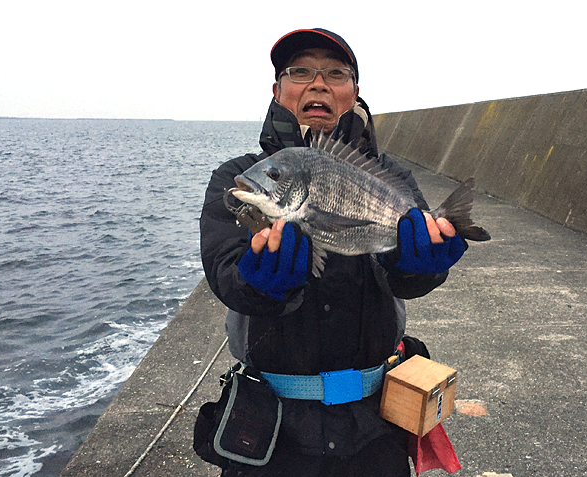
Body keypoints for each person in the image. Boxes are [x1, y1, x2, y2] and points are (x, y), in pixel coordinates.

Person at [199, 28, 466, 477]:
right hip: (270, 428)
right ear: (277, 90)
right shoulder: (240, 177)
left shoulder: (387, 175)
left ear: (354, 92)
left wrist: (419, 268)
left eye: (335, 73)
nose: (318, 83)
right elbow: (226, 274)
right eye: (300, 71)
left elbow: (409, 275)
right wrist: (260, 283)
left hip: (376, 424)